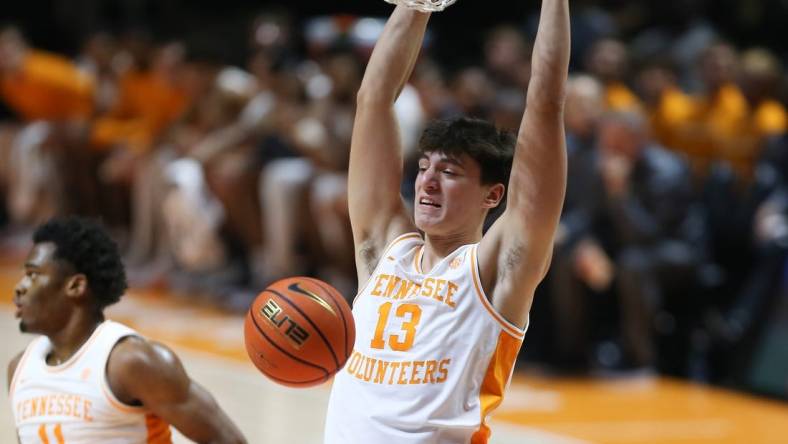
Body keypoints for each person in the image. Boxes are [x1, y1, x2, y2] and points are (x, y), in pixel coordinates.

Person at [324, 0, 569, 442]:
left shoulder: (496, 270)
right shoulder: (384, 249)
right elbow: (374, 99)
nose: (428, 183)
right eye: (423, 169)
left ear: (493, 195)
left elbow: (546, 103)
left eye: (450, 173)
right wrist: (416, 5)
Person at [7, 216, 246, 443]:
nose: (20, 287)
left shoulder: (131, 362)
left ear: (76, 286)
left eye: (32, 275)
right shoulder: (20, 370)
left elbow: (226, 439)